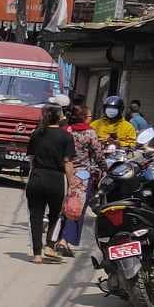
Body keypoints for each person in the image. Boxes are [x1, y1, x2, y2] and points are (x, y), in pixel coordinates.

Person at [26, 105, 74, 263]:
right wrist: (72, 183)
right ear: (60, 117)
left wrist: (35, 173)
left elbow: (31, 158)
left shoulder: (37, 133)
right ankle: (50, 245)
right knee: (55, 215)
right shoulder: (66, 136)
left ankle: (37, 254)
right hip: (56, 179)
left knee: (36, 216)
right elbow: (68, 163)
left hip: (37, 177)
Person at [55, 103, 98, 255]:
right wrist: (105, 168)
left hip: (63, 173)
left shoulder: (66, 130)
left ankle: (58, 239)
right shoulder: (90, 133)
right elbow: (97, 153)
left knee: (64, 207)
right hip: (82, 175)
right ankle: (64, 240)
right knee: (75, 209)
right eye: (90, 116)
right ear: (84, 118)